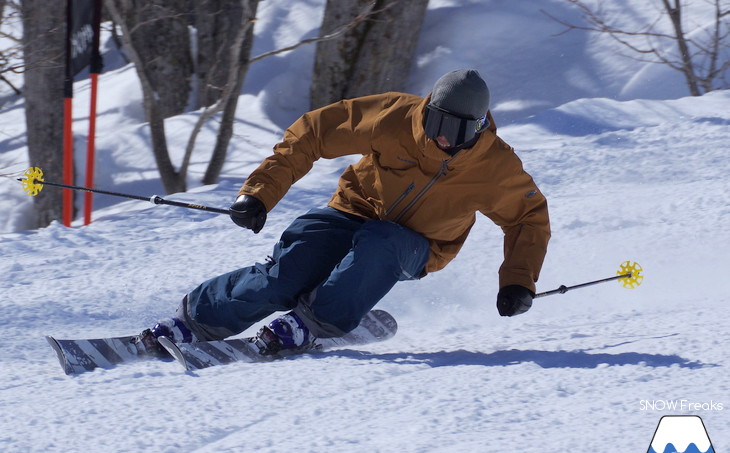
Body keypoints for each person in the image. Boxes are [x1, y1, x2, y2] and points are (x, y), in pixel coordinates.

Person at [136, 68, 551, 356]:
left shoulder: (495, 167)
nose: (444, 138)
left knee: (381, 243)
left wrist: (518, 281)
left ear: (478, 128)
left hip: (419, 245)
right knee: (293, 267)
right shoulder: (395, 117)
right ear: (425, 110)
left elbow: (528, 218)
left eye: (458, 131)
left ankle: (316, 322)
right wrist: (260, 194)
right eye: (437, 123)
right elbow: (313, 132)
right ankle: (197, 322)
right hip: (353, 210)